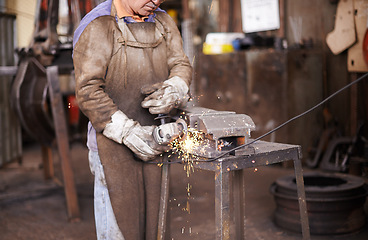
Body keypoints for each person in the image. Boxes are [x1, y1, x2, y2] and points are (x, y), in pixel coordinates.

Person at [72, 0, 192, 239]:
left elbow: (180, 63)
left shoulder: (163, 21)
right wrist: (127, 131)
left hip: (157, 145)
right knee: (121, 230)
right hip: (113, 149)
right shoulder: (98, 25)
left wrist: (175, 87)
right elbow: (88, 91)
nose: (156, 1)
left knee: (155, 229)